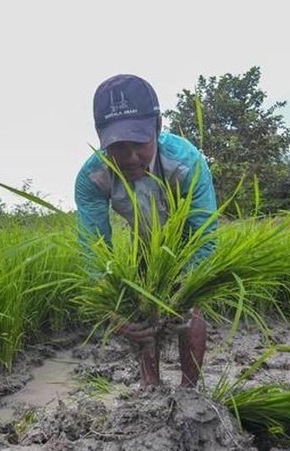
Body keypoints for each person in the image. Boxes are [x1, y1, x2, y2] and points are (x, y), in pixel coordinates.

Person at [74, 74, 218, 388]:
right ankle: (149, 386)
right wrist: (112, 308)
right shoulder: (92, 177)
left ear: (158, 126)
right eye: (117, 147)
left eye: (139, 142)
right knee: (137, 306)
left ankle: (189, 390)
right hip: (144, 237)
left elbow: (205, 236)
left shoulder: (186, 163)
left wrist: (187, 290)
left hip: (185, 237)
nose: (130, 157)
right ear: (100, 139)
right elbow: (94, 248)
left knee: (189, 308)